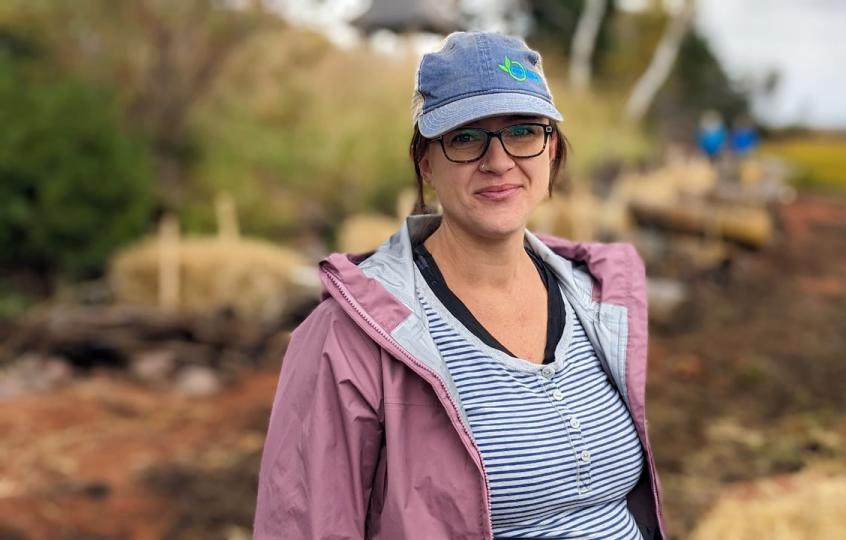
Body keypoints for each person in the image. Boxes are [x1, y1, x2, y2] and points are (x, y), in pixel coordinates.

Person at [253, 31, 666, 540]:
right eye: (465, 137)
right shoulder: (346, 338)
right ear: (426, 161)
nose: (498, 161)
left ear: (551, 148)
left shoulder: (598, 298)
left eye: (522, 131)